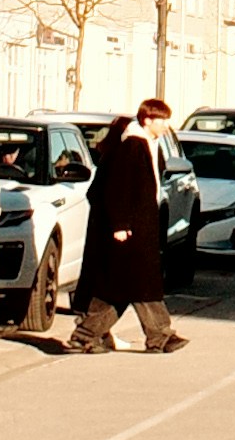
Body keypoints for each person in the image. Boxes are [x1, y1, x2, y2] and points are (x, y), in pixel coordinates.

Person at [73, 95, 183, 357]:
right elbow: (118, 189)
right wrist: (120, 224)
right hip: (130, 230)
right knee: (141, 286)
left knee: (122, 288)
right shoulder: (132, 146)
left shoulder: (148, 143)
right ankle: (160, 335)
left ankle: (85, 335)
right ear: (147, 120)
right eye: (162, 120)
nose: (166, 125)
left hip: (141, 227)